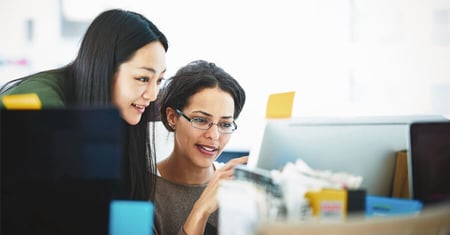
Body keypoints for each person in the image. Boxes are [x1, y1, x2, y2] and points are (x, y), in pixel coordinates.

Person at [0, 9, 168, 201]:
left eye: (159, 80)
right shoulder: (40, 106)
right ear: (105, 68)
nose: (153, 95)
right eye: (143, 78)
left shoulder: (114, 111)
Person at [155, 60, 248, 235]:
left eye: (225, 124)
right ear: (172, 117)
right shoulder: (142, 191)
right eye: (201, 120)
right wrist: (201, 211)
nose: (214, 135)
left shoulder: (238, 189)